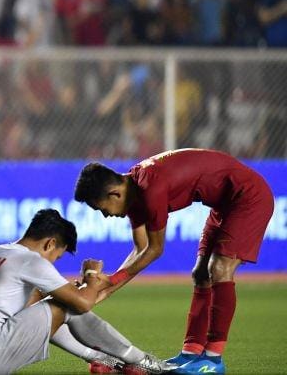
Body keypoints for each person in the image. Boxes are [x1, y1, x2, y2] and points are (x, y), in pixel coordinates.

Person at [74, 149, 275, 375]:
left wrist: (110, 285)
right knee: (200, 274)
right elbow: (140, 249)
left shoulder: (150, 188)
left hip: (248, 197)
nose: (106, 215)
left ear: (114, 194)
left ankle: (213, 360)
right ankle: (191, 353)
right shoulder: (133, 193)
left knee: (219, 269)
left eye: (102, 209)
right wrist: (109, 286)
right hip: (224, 206)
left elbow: (155, 249)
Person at [0, 208, 173, 375]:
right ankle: (142, 361)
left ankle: (103, 359)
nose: (53, 262)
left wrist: (66, 292)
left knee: (52, 307)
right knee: (66, 306)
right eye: (57, 256)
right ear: (50, 243)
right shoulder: (30, 260)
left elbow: (28, 309)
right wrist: (91, 276)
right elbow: (82, 304)